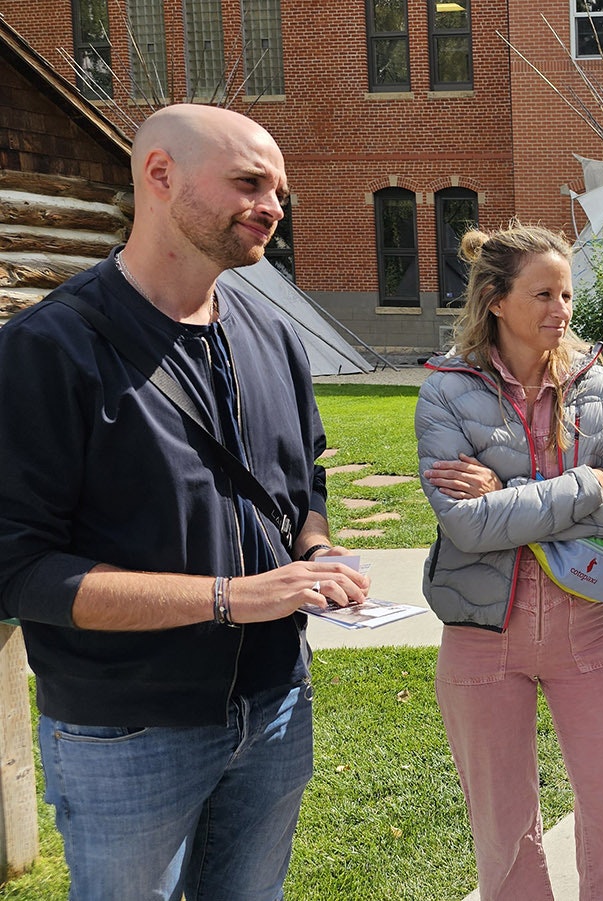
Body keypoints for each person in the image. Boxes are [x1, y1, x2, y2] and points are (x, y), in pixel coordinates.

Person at [0, 104, 368, 900]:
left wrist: (315, 550)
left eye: (278, 189)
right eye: (249, 181)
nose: (273, 204)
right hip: (125, 733)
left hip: (275, 708)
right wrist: (233, 598)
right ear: (159, 175)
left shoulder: (274, 336)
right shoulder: (46, 350)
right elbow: (22, 571)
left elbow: (307, 482)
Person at [415, 223, 603, 901]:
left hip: (588, 632)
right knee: (505, 834)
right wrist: (585, 485)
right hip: (481, 640)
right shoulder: (443, 390)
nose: (562, 309)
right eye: (544, 293)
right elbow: (465, 522)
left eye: (568, 294)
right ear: (495, 299)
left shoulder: (602, 387)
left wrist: (509, 498)